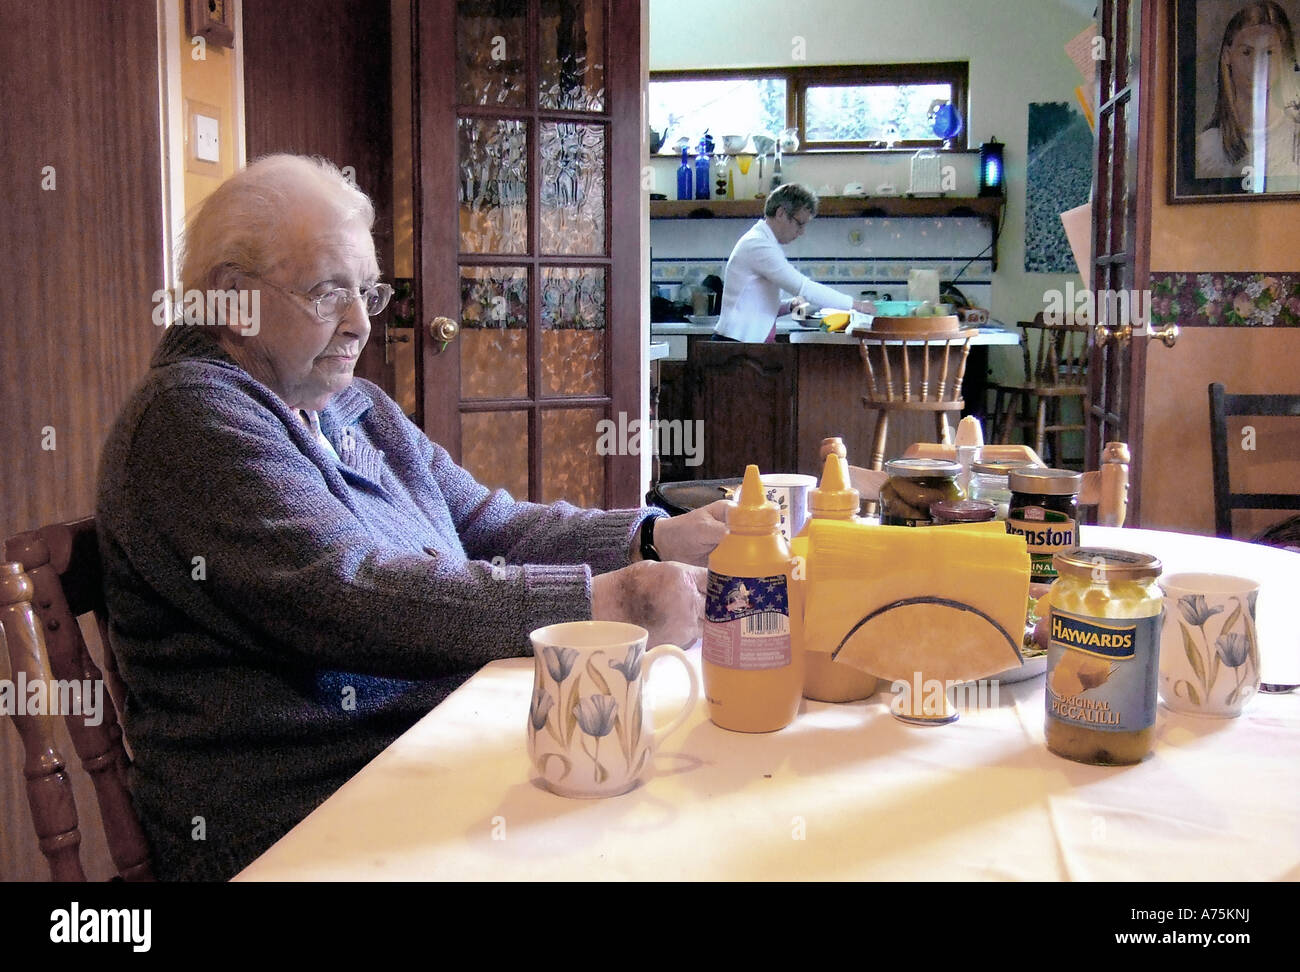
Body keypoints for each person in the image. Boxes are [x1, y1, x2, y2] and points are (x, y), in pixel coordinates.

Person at [96, 154, 728, 881]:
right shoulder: (188, 419)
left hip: (416, 758)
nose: (361, 323)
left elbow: (485, 521)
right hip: (298, 821)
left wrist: (649, 534)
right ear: (234, 301)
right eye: (329, 291)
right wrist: (599, 603)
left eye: (367, 291)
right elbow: (347, 594)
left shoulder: (350, 404)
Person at [713, 184, 875, 343]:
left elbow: (756, 307)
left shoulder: (763, 242)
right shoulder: (758, 244)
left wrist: (790, 305)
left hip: (743, 344)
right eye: (800, 223)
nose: (802, 231)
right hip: (736, 345)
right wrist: (856, 305)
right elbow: (804, 287)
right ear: (781, 213)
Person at [1195, 0, 1300, 190]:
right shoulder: (1206, 148)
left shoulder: (1296, 138)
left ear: (1283, 57)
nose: (1256, 66)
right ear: (1228, 56)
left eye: (1268, 53)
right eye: (1246, 52)